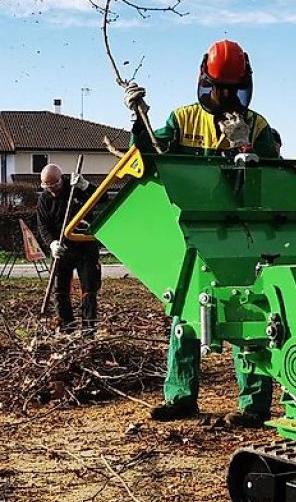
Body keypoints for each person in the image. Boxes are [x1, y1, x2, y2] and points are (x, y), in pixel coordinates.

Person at [127, 39, 278, 428]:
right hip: (191, 232)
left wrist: (244, 146)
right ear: (204, 81)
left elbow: (276, 177)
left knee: (249, 315)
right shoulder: (181, 120)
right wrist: (137, 119)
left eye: (233, 89)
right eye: (219, 88)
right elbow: (144, 159)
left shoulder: (257, 126)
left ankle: (254, 406)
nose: (225, 96)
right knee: (184, 314)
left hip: (242, 232)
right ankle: (180, 398)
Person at [36, 165, 102, 334]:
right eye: (47, 187)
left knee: (89, 289)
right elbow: (43, 226)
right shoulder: (44, 199)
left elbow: (103, 199)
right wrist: (51, 243)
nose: (52, 190)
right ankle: (68, 327)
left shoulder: (76, 189)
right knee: (60, 290)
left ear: (61, 179)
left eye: (55, 185)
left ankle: (89, 329)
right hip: (62, 250)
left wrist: (85, 185)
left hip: (85, 248)